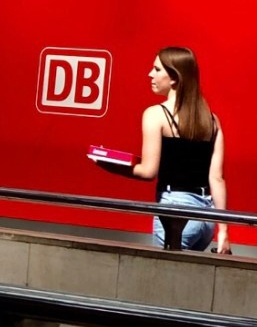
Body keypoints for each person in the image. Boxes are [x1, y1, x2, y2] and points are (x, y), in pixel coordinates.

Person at [96, 46, 230, 253]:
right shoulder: (212, 120)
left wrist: (109, 165)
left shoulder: (155, 115)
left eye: (157, 69)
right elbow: (217, 179)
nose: (150, 74)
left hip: (175, 212)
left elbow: (148, 171)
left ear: (175, 77)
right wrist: (223, 232)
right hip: (207, 218)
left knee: (166, 272)